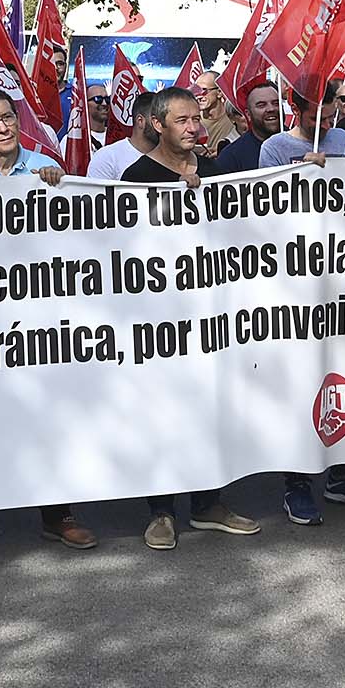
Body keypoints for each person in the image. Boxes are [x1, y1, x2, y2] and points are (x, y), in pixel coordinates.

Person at [0, 88, 94, 558]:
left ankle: (58, 515)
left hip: (39, 322)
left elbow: (74, 238)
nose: (3, 127)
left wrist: (60, 188)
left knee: (46, 417)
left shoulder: (46, 170)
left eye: (8, 117)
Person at [124, 85, 266, 547]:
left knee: (210, 409)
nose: (193, 128)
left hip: (211, 321)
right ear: (157, 125)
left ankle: (208, 503)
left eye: (196, 119)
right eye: (182, 120)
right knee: (163, 413)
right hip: (159, 319)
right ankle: (161, 511)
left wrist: (308, 172)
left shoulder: (213, 172)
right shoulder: (135, 177)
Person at [258, 84, 345, 168]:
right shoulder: (273, 148)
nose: (326, 126)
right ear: (296, 110)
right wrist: (306, 171)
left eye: (331, 117)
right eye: (318, 119)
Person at [212, 79, 283, 177]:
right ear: (248, 114)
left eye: (276, 103)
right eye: (261, 105)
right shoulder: (231, 157)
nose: (271, 109)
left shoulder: (302, 142)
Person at [87, 90, 159, 181]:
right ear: (140, 121)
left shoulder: (172, 158)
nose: (162, 125)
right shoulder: (107, 158)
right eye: (156, 120)